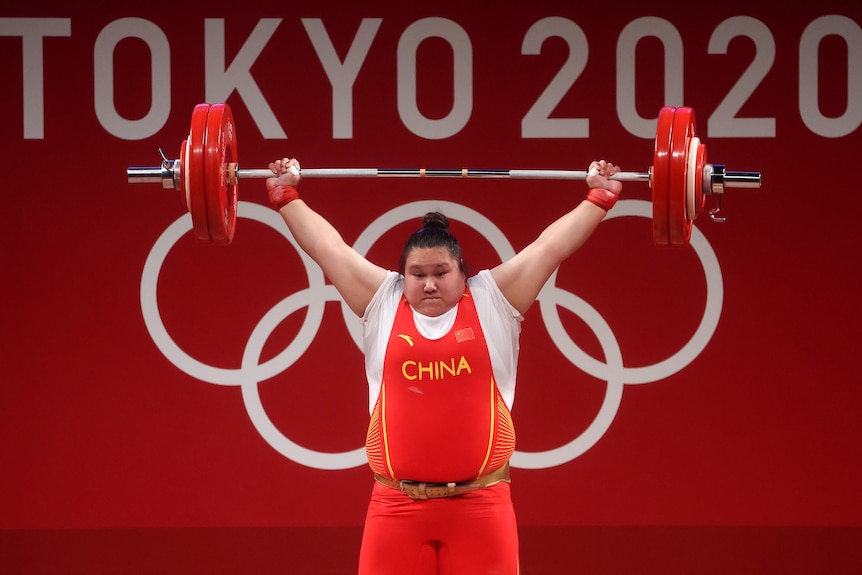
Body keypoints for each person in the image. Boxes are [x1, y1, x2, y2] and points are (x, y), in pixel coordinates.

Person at [265, 158, 622, 575]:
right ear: (403, 276)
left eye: (441, 272)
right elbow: (329, 249)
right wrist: (285, 195)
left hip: (481, 505)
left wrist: (599, 198)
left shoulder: (493, 299)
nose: (429, 283)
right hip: (395, 506)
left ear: (462, 273)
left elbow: (549, 247)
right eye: (417, 274)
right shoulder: (383, 301)